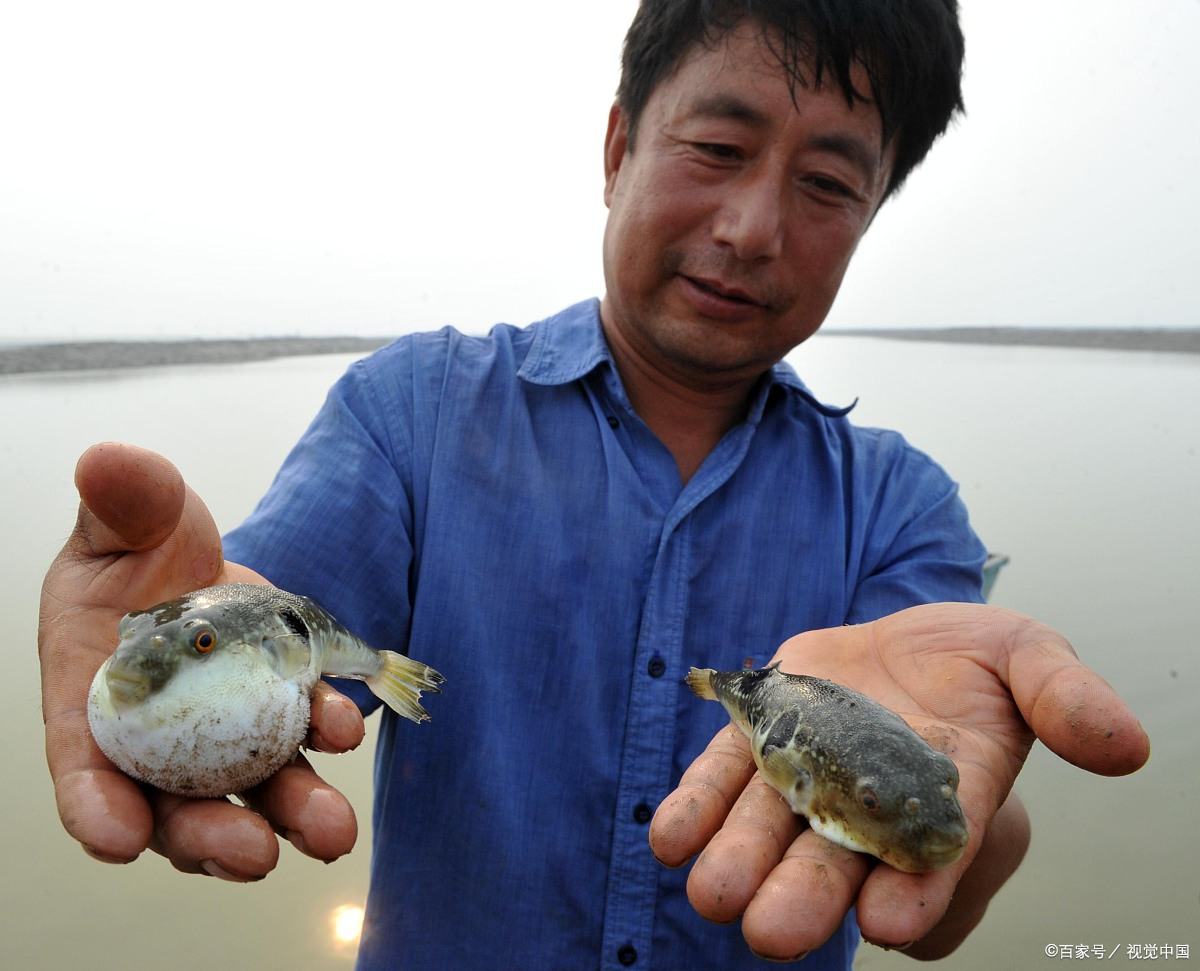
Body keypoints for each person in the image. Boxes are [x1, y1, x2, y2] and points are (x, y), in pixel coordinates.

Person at [39, 1, 1150, 968]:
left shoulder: (901, 506)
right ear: (618, 146)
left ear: (871, 215)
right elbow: (282, 636)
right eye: (719, 146)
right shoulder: (414, 413)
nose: (752, 229)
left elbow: (947, 875)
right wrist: (181, 625)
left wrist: (975, 812)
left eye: (825, 184)